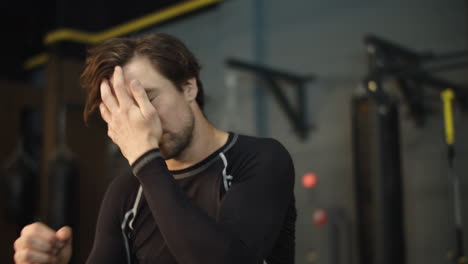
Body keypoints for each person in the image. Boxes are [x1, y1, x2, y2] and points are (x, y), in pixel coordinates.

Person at [13, 33, 296, 264]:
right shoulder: (126, 192)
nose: (141, 118)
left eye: (148, 98)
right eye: (126, 109)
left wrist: (144, 157)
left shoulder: (259, 159)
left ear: (188, 87)